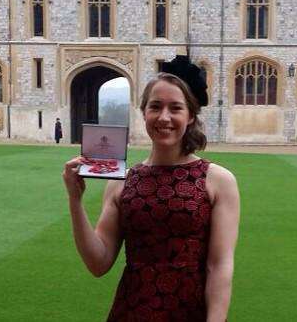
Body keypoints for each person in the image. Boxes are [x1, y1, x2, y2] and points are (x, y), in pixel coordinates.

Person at [63, 55, 240, 322]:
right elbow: (98, 263)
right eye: (155, 106)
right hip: (132, 311)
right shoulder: (121, 181)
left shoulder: (217, 180)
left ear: (190, 115)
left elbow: (219, 266)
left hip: (190, 312)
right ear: (144, 112)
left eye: (175, 108)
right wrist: (74, 200)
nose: (164, 117)